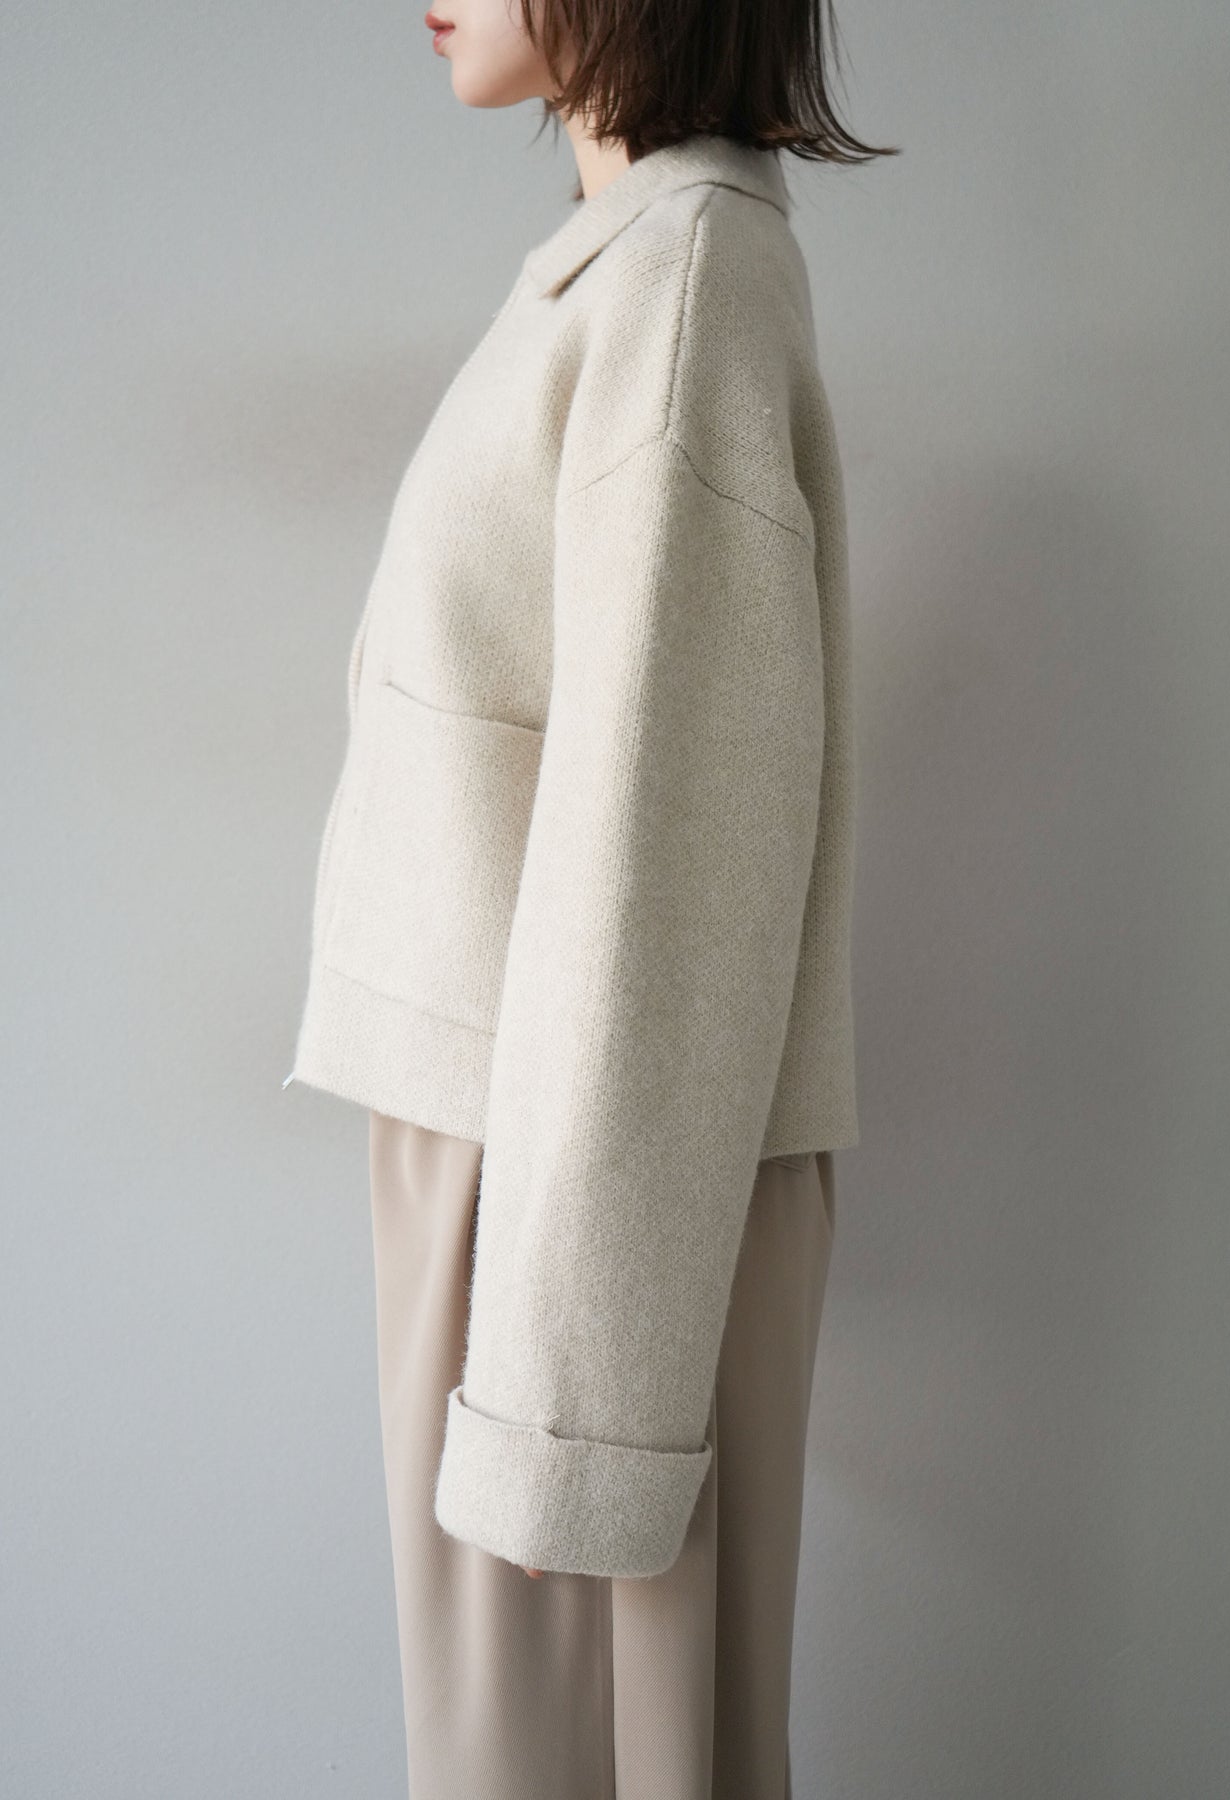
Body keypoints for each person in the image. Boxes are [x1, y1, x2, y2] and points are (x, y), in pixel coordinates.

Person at [282, 1, 894, 1793]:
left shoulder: (680, 286)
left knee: (572, 1763)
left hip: (576, 1201)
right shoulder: (628, 269)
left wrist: (572, 1416)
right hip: (531, 1165)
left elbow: (662, 864)